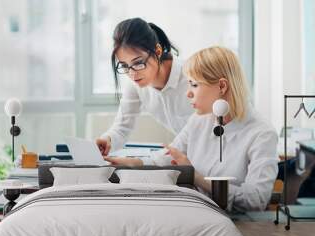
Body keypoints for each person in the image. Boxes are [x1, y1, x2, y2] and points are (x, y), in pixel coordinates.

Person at [105, 46, 279, 212]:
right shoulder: (199, 120)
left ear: (222, 86)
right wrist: (132, 163)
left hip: (236, 224)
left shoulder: (262, 134)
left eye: (194, 85)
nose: (188, 93)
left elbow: (256, 200)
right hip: (197, 213)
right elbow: (169, 157)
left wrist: (196, 177)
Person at [96, 18, 194, 155]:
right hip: (188, 155)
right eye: (124, 66)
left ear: (158, 51)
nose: (132, 73)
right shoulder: (136, 84)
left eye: (138, 62)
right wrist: (107, 139)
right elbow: (122, 127)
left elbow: (202, 130)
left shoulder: (191, 77)